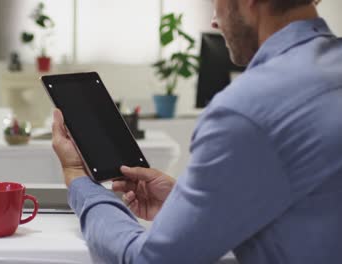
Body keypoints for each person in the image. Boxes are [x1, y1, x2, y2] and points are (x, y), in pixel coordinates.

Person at [51, 0, 342, 263]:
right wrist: (192, 204)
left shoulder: (245, 109)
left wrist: (79, 180)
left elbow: (149, 260)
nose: (214, 21)